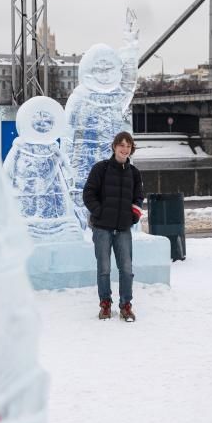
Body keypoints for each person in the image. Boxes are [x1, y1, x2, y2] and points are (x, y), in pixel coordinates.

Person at [83, 131, 144, 322]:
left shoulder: (134, 173)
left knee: (126, 269)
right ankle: (105, 305)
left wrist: (133, 216)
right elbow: (88, 193)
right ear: (114, 147)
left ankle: (126, 306)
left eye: (128, 146)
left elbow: (138, 198)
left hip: (123, 229)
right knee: (104, 269)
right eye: (122, 145)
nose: (125, 149)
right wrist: (99, 212)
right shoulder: (101, 169)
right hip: (102, 228)